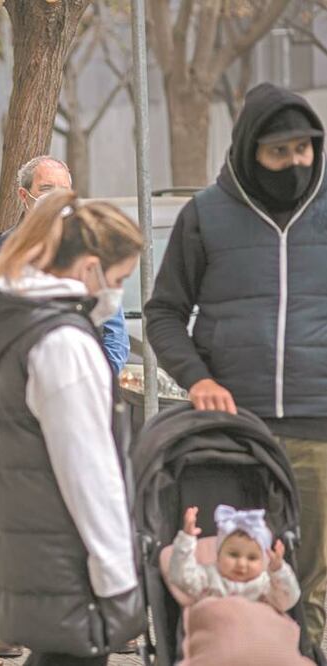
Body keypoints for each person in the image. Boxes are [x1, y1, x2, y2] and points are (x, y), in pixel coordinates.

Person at [145, 82, 327, 650]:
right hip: (233, 437)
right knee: (233, 574)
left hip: (317, 428)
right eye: (281, 152)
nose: (296, 162)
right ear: (251, 148)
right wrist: (198, 377)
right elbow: (164, 312)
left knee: (312, 579)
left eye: (305, 149)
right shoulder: (205, 215)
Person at [0, 191, 145, 665]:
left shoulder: (15, 325)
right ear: (88, 266)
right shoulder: (63, 343)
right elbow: (89, 471)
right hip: (71, 562)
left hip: (35, 555)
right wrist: (120, 578)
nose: (117, 293)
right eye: (119, 279)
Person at [0, 156, 130, 377]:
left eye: (63, 190)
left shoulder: (90, 248)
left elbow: (113, 329)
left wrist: (101, 377)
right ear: (24, 195)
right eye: (46, 189)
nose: (56, 199)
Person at [171, 505, 299, 612]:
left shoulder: (265, 586)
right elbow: (182, 577)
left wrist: (278, 571)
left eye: (252, 558)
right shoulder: (208, 578)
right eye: (233, 555)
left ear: (264, 561)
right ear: (219, 555)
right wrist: (186, 539)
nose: (242, 564)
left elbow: (287, 600)